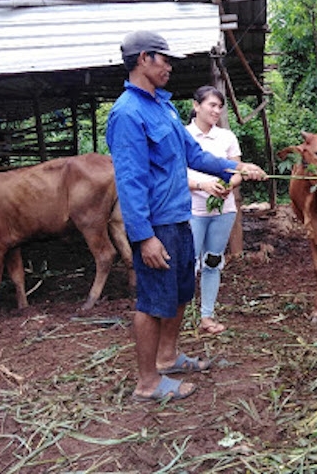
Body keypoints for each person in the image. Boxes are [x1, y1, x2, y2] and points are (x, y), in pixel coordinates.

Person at [106, 30, 266, 402]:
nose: (170, 66)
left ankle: (167, 357)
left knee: (180, 292)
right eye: (164, 58)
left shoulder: (161, 107)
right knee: (152, 301)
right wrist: (143, 237)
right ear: (144, 59)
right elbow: (129, 182)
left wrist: (235, 167)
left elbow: (193, 156)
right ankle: (147, 384)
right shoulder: (127, 114)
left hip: (179, 219)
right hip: (156, 225)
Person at [186, 85, 241, 335]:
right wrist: (202, 185)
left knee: (213, 261)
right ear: (196, 106)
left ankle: (206, 316)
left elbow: (238, 170)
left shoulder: (227, 137)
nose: (217, 111)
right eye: (212, 105)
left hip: (223, 211)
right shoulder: (184, 136)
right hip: (192, 210)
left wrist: (227, 185)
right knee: (189, 263)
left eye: (220, 106)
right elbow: (176, 174)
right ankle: (183, 314)